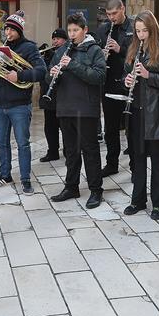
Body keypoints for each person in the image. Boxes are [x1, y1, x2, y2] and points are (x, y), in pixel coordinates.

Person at [0, 10, 47, 194]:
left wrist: (18, 75)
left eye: (11, 30)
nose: (8, 33)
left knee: (23, 143)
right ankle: (5, 175)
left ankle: (25, 179)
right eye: (6, 30)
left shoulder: (29, 48)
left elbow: (41, 71)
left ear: (19, 30)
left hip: (19, 104)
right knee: (1, 143)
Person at [48, 14, 107, 208]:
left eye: (76, 30)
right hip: (65, 107)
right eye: (70, 30)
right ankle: (71, 186)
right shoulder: (62, 50)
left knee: (89, 150)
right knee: (71, 151)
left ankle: (96, 190)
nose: (72, 34)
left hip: (86, 108)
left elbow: (98, 76)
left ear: (85, 30)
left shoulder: (94, 50)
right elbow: (49, 76)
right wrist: (52, 74)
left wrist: (72, 65)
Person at [122, 10, 159, 220]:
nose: (141, 35)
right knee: (138, 158)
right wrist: (127, 80)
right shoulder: (134, 48)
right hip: (135, 109)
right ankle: (137, 200)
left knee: (156, 159)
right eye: (138, 31)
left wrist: (148, 75)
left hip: (155, 112)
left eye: (144, 30)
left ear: (152, 29)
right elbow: (126, 73)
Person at [96, 0, 134, 177]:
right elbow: (95, 54)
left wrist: (121, 50)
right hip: (109, 83)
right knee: (110, 128)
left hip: (129, 84)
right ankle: (112, 163)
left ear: (122, 9)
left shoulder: (134, 27)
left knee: (132, 127)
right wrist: (101, 56)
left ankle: (135, 165)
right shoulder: (103, 29)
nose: (111, 18)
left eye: (114, 14)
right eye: (109, 14)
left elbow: (140, 55)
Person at [38, 29, 68, 162]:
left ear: (65, 40)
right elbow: (43, 74)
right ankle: (52, 151)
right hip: (48, 96)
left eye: (58, 38)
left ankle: (69, 150)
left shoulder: (68, 51)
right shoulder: (48, 54)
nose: (55, 41)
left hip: (63, 96)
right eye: (53, 38)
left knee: (65, 127)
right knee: (50, 126)